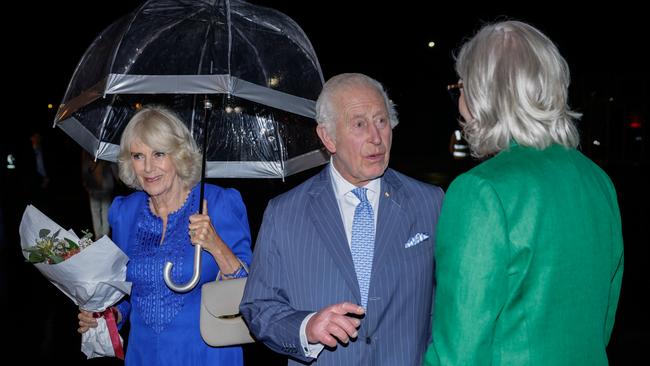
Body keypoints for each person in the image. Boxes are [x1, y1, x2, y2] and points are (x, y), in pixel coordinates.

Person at [423, 20, 624, 365]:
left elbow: (458, 351)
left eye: (462, 88)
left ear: (485, 94)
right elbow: (602, 322)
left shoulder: (480, 191)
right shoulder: (598, 181)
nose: (459, 103)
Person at [241, 73, 444, 365]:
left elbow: (450, 303)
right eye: (360, 124)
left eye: (382, 121)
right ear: (328, 137)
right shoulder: (284, 212)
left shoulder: (430, 202)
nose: (376, 137)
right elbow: (258, 306)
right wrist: (306, 328)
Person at [76, 105, 253, 365]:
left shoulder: (217, 202)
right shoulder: (125, 212)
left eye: (159, 154)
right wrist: (109, 315)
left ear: (179, 155)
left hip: (205, 355)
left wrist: (216, 245)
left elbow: (250, 288)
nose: (148, 167)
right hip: (144, 355)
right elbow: (126, 293)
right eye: (138, 156)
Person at [81, 150, 118, 238]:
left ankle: (98, 236)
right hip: (105, 187)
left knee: (96, 212)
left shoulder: (88, 154)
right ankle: (104, 235)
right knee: (105, 211)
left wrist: (86, 184)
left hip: (94, 188)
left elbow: (84, 172)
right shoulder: (106, 155)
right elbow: (115, 170)